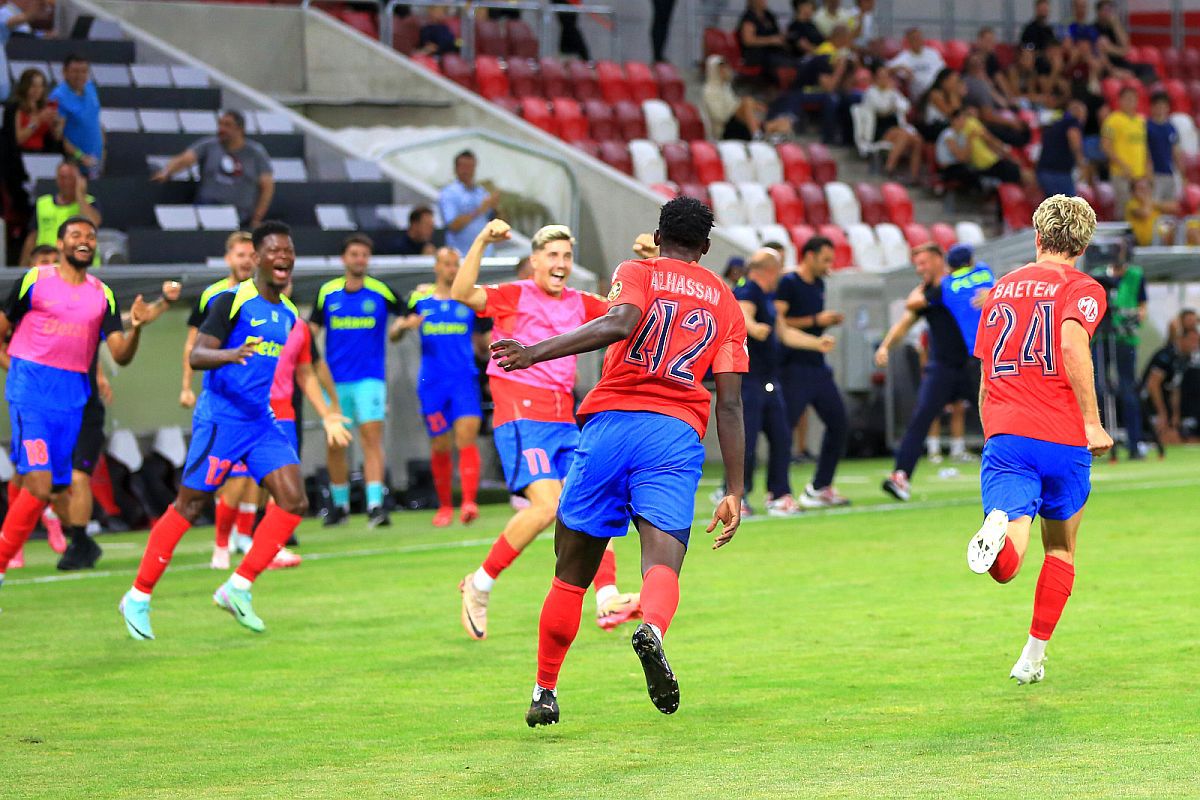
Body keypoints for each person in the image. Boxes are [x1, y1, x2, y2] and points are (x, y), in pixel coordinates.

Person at [487, 196, 749, 727]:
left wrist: (534, 352)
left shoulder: (636, 270)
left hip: (610, 426)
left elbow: (620, 322)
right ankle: (651, 627)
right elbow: (731, 402)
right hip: (674, 435)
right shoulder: (725, 301)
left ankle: (545, 689)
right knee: (662, 561)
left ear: (658, 234)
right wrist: (736, 490)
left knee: (571, 573)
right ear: (704, 247)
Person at [119, 222, 351, 640]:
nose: (284, 257)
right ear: (258, 258)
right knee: (189, 507)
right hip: (220, 419)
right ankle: (137, 596)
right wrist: (229, 354)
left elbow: (301, 369)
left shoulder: (287, 314)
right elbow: (197, 356)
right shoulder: (231, 300)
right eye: (275, 251)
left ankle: (238, 586)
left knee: (293, 499)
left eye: (289, 250)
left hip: (260, 421)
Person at [452, 221, 640, 640]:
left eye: (567, 257)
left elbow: (627, 308)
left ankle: (606, 597)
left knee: (595, 500)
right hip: (520, 415)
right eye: (552, 256)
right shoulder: (514, 295)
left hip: (563, 420)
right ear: (534, 262)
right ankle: (478, 586)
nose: (560, 264)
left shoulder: (578, 301)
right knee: (547, 507)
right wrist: (482, 240)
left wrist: (649, 263)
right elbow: (462, 293)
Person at [966, 194, 1112, 686]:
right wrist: (1092, 422)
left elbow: (985, 372)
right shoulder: (1082, 287)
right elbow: (1071, 342)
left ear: (1037, 237)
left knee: (1007, 563)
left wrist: (994, 430)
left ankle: (997, 522)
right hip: (1063, 437)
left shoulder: (1002, 288)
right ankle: (1030, 658)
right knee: (1061, 551)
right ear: (1084, 243)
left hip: (1007, 434)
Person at [0, 217, 157, 594]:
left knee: (55, 487)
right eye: (76, 235)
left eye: (90, 236)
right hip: (32, 395)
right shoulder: (34, 281)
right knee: (37, 484)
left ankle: (73, 539)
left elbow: (120, 354)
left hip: (72, 401)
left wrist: (135, 327)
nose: (85, 241)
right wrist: (16, 368)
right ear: (61, 243)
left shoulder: (102, 293)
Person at [876, 244, 992, 500]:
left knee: (997, 416)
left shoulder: (971, 280)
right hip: (942, 367)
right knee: (921, 417)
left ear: (940, 260)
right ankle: (900, 477)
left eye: (923, 263)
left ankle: (1022, 471)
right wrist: (885, 346)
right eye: (916, 264)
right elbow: (905, 321)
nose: (920, 269)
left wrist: (994, 294)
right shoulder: (928, 294)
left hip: (976, 363)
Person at [310, 234, 406, 528]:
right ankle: (339, 507)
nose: (359, 259)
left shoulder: (380, 291)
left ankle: (375, 505)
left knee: (371, 440)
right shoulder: (327, 293)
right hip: (335, 382)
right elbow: (311, 330)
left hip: (370, 379)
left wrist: (401, 327)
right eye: (354, 254)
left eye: (364, 255)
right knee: (336, 444)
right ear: (344, 258)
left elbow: (408, 312)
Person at [180, 232, 263, 568]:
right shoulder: (214, 296)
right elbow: (192, 347)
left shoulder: (264, 297)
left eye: (250, 255)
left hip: (255, 399)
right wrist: (186, 386)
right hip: (219, 400)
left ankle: (241, 536)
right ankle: (222, 540)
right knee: (220, 474)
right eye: (240, 254)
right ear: (228, 258)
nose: (246, 260)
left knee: (248, 473)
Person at [735, 248, 835, 516]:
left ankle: (779, 494)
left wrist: (816, 343)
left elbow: (785, 332)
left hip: (770, 379)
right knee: (747, 442)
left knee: (781, 437)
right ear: (768, 270)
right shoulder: (748, 291)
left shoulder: (768, 296)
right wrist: (753, 327)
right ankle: (737, 496)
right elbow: (742, 315)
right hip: (749, 380)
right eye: (778, 268)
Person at [261, 279, 347, 569]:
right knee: (218, 486)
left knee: (284, 481)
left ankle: (271, 547)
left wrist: (327, 412)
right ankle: (230, 540)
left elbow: (307, 372)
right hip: (247, 410)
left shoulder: (299, 327)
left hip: (284, 411)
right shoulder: (245, 316)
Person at [397, 246, 485, 527]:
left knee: (466, 439)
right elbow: (394, 332)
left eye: (454, 264)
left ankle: (469, 502)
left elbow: (485, 338)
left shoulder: (469, 298)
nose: (451, 269)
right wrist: (403, 327)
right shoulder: (420, 298)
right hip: (432, 384)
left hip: (463, 381)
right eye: (446, 264)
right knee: (440, 443)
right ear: (436, 267)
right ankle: (445, 505)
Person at [775, 236, 851, 508]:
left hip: (817, 365)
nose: (829, 266)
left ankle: (820, 486)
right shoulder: (788, 282)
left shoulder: (818, 284)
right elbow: (779, 321)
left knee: (839, 422)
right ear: (809, 255)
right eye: (825, 259)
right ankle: (778, 492)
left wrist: (823, 325)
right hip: (793, 366)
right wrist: (817, 321)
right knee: (783, 430)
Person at [152, 110, 275, 229]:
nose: (221, 129)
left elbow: (267, 187)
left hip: (240, 215)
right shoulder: (209, 145)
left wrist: (256, 219)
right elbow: (185, 159)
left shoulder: (256, 153)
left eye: (227, 125)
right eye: (220, 124)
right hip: (207, 210)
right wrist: (167, 172)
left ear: (240, 129)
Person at [1092, 246, 1147, 459]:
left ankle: (1135, 443)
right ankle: (1094, 441)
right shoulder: (1098, 274)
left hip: (1125, 338)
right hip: (1101, 337)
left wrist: (1133, 317)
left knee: (1128, 389)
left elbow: (1142, 307)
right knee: (1096, 388)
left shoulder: (1135, 275)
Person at [19, 160, 100, 266]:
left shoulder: (89, 203)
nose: (66, 182)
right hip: (47, 265)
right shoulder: (43, 203)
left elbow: (94, 222)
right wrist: (23, 265)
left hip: (80, 266)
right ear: (57, 179)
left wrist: (80, 194)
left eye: (70, 177)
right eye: (62, 177)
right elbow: (32, 237)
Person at [702, 55, 793, 141]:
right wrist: (743, 111)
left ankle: (773, 141)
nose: (726, 70)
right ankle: (756, 135)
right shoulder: (709, 90)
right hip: (726, 129)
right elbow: (720, 116)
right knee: (747, 101)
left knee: (785, 123)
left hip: (742, 125)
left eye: (725, 67)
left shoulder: (726, 87)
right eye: (721, 69)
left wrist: (754, 107)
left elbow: (738, 106)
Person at [860, 63, 923, 183]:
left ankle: (913, 176)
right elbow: (882, 109)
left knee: (917, 140)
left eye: (886, 77)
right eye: (881, 77)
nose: (884, 80)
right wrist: (892, 100)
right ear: (875, 79)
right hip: (878, 129)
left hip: (896, 128)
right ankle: (889, 168)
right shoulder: (870, 93)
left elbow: (906, 106)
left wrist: (893, 95)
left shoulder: (893, 92)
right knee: (903, 135)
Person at [1142, 328, 1199, 445]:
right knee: (1167, 437)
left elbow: (1175, 388)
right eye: (1192, 341)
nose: (1195, 345)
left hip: (1165, 402)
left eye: (1197, 341)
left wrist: (1175, 415)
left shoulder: (1185, 358)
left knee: (1177, 433)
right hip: (1149, 402)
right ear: (1181, 339)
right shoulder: (1166, 355)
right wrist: (1161, 413)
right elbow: (1153, 385)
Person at [49, 54, 103, 177]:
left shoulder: (90, 87)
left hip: (96, 161)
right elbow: (58, 136)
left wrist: (103, 148)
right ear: (65, 72)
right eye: (75, 71)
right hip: (74, 164)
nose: (80, 76)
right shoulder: (58, 97)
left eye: (83, 71)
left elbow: (95, 120)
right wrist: (81, 156)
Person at [439, 150, 499, 257]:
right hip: (462, 256)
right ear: (456, 169)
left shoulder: (481, 192)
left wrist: (495, 207)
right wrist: (478, 211)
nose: (467, 171)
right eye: (464, 167)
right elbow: (453, 225)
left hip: (486, 255)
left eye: (471, 167)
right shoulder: (449, 193)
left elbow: (494, 221)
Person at [1101, 86, 1148, 215]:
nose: (1130, 102)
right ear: (1120, 101)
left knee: (1140, 210)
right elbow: (1105, 146)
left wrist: (1147, 168)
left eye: (1133, 99)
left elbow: (1144, 147)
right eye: (1126, 99)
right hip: (1121, 173)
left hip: (1139, 175)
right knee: (1124, 210)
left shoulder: (1141, 121)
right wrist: (1122, 165)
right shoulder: (1112, 120)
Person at [1036, 99, 1088, 197]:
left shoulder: (1056, 124)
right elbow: (1074, 141)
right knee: (1068, 207)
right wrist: (1081, 163)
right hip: (1059, 173)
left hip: (1044, 171)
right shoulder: (1072, 122)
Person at [9, 68, 63, 154]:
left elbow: (56, 137)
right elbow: (17, 139)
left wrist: (57, 125)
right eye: (33, 86)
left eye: (40, 86)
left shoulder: (44, 108)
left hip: (41, 155)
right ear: (25, 86)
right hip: (19, 155)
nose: (37, 90)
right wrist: (37, 121)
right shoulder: (15, 108)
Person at [737, 0, 790, 81]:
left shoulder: (768, 15)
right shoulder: (749, 17)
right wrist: (770, 40)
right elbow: (748, 40)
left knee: (792, 59)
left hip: (774, 52)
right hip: (757, 54)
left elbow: (776, 33)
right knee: (782, 64)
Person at [887, 27, 945, 100]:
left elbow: (943, 71)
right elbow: (886, 69)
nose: (918, 40)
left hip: (938, 88)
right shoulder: (904, 57)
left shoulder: (932, 53)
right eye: (914, 38)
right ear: (909, 41)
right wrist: (901, 67)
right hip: (920, 94)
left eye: (919, 37)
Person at [1146, 92, 1182, 207]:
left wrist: (1182, 174)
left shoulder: (1171, 127)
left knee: (1170, 207)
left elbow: (1176, 152)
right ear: (1152, 108)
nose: (1161, 109)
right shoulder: (1147, 126)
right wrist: (1148, 173)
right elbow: (1145, 151)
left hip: (1169, 173)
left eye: (1164, 106)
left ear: (1168, 108)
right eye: (1158, 106)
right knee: (1154, 205)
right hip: (1154, 174)